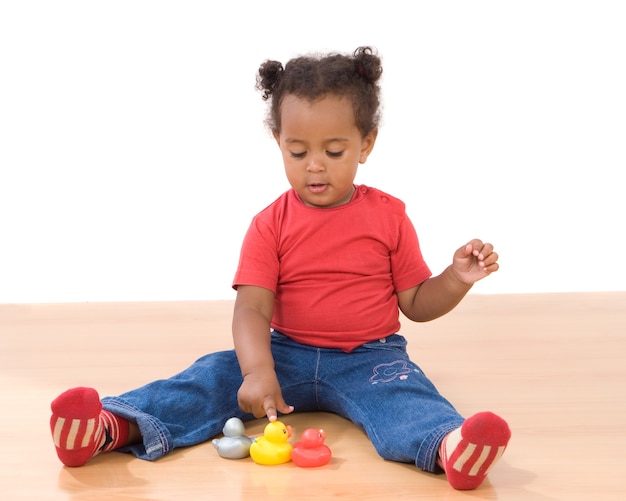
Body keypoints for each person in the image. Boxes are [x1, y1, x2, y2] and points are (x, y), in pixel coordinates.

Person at [50, 46, 510, 491]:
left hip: (370, 357)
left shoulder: (389, 217)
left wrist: (455, 280)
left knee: (408, 397)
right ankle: (111, 427)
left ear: (365, 144)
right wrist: (256, 370)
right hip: (283, 354)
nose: (315, 166)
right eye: (297, 152)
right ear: (279, 143)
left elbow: (416, 304)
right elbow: (251, 308)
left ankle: (451, 446)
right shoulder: (270, 224)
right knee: (207, 379)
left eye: (334, 152)